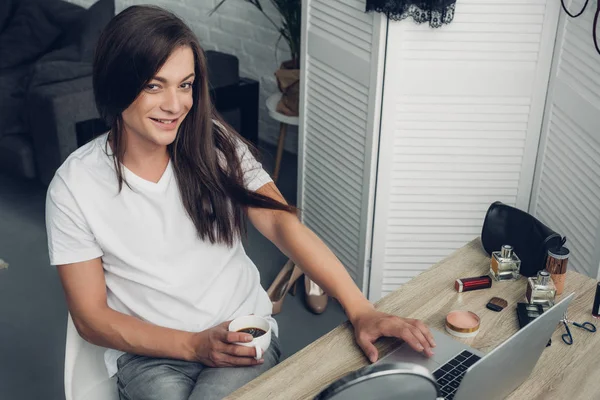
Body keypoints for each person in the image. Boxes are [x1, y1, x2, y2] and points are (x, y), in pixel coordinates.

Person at [45, 5, 436, 400]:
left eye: (186, 85)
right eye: (153, 85)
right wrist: (192, 345)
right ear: (117, 85)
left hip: (240, 328)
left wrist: (361, 310)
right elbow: (90, 318)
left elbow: (282, 223)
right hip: (150, 353)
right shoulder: (74, 186)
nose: (176, 105)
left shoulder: (213, 144)